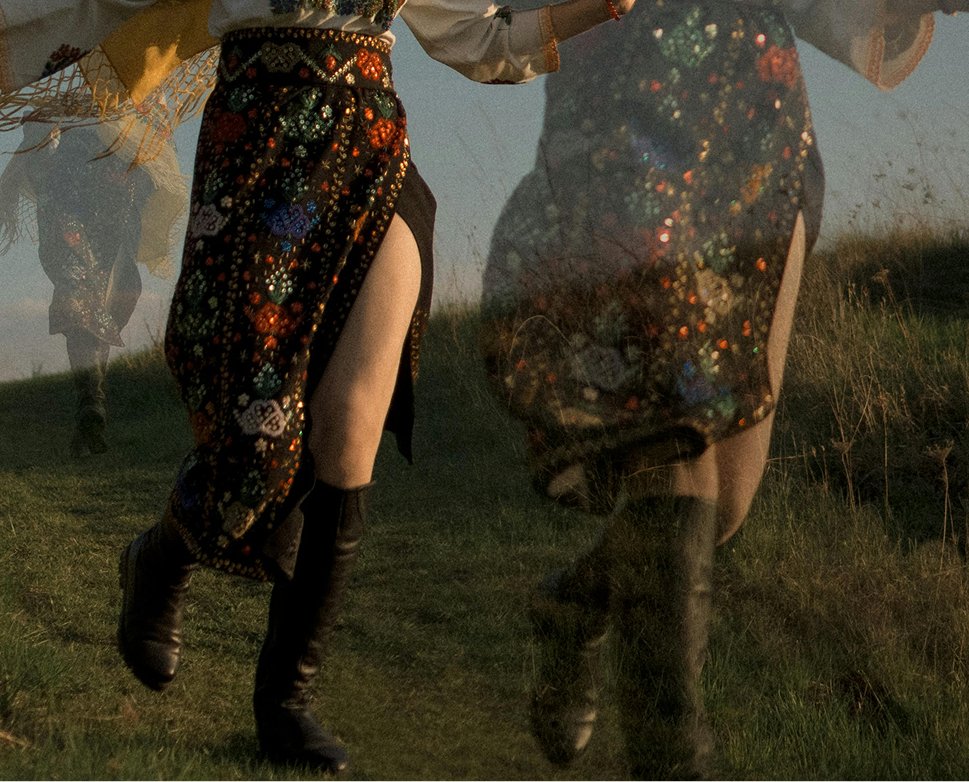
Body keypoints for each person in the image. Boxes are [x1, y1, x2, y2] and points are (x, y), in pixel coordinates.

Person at [0, 0, 650, 772]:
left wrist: (594, 9)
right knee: (256, 441)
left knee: (347, 429)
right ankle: (163, 555)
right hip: (254, 156)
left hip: (373, 163)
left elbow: (482, 37)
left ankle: (284, 706)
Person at [481, 0, 958, 776]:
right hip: (621, 126)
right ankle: (673, 758)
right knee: (675, 449)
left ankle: (575, 601)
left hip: (759, 128)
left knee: (724, 506)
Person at [0, 118, 187, 455]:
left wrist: (140, 154)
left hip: (111, 210)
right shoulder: (74, 100)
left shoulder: (131, 104)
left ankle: (91, 403)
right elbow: (42, 147)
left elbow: (153, 161)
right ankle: (92, 401)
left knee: (109, 298)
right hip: (74, 204)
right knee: (80, 301)